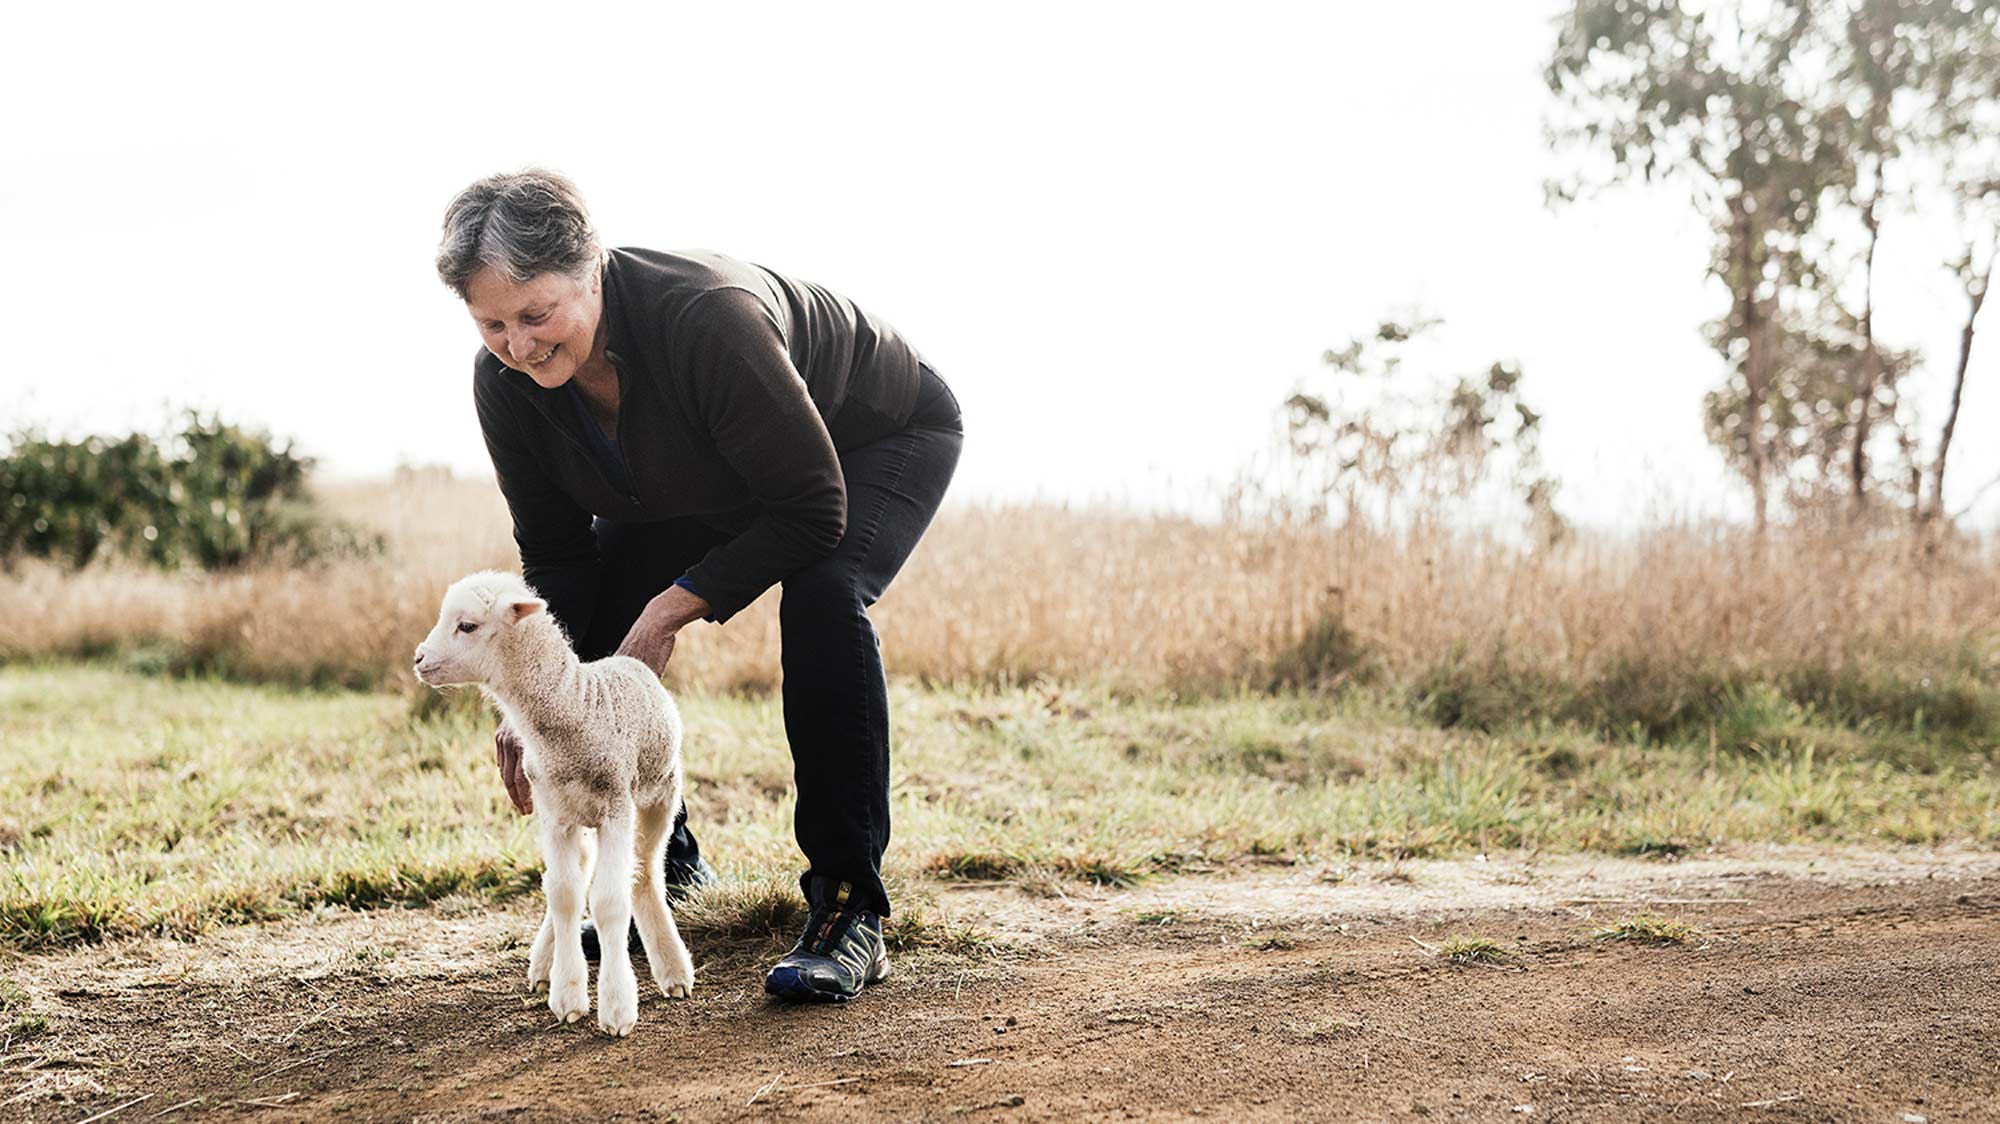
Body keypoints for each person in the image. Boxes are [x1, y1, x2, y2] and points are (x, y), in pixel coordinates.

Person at [434, 168, 962, 1002]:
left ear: (591, 267)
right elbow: (558, 557)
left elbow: (811, 508)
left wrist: (671, 609)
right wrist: (528, 692)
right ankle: (657, 868)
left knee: (824, 593)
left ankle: (848, 908)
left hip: (871, 440)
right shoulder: (503, 381)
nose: (520, 345)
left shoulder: (707, 318)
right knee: (593, 614)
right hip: (699, 478)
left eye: (537, 314)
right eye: (492, 322)